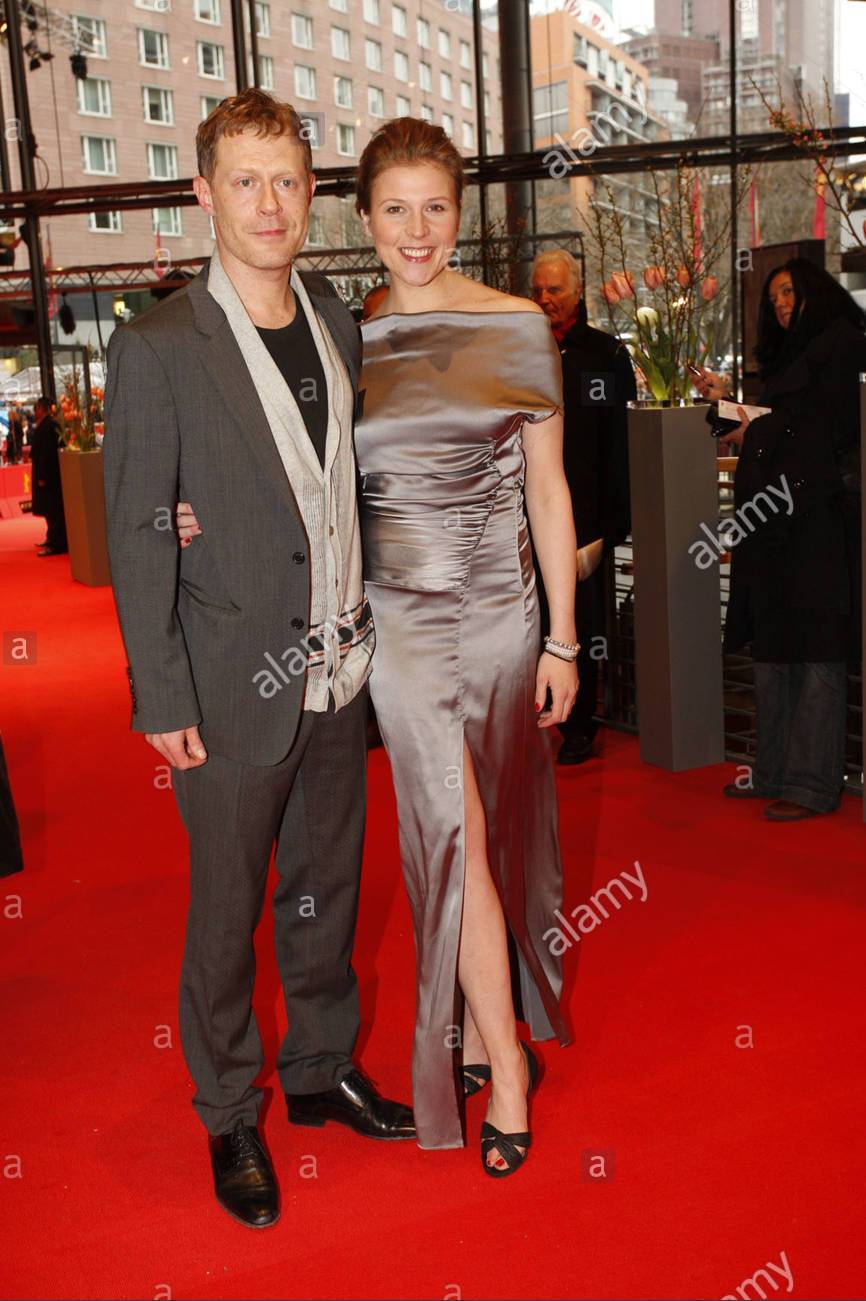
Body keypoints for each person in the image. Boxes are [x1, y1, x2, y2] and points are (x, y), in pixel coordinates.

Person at [178, 118, 579, 1176]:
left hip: (501, 618)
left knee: (493, 832)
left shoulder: (516, 326)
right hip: (394, 633)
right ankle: (507, 1067)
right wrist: (189, 510)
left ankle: (487, 1033)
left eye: (435, 207)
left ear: (460, 213)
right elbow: (293, 473)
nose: (416, 229)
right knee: (453, 836)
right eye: (394, 208)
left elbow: (548, 490)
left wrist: (564, 640)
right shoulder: (345, 335)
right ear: (361, 216)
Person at [103, 89, 414, 1232]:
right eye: (244, 181)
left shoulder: (334, 317)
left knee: (326, 890)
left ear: (310, 190)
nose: (268, 203)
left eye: (285, 179)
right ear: (204, 193)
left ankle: (321, 1066)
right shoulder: (157, 345)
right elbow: (139, 523)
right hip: (230, 677)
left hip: (339, 668)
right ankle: (230, 1108)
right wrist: (159, 691)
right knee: (226, 911)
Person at [694, 258, 866, 820]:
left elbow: (825, 433)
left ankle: (811, 785)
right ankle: (771, 771)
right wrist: (726, 407)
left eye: (789, 292)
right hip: (775, 527)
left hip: (819, 528)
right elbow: (775, 428)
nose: (782, 305)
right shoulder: (797, 355)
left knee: (815, 653)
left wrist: (755, 426)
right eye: (773, 299)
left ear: (815, 289)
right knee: (774, 647)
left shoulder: (844, 344)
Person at [532, 249, 636, 764]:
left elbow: (621, 441)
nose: (545, 298)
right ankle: (534, 713)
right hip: (525, 514)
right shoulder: (521, 350)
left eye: (554, 289)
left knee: (583, 622)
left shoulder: (605, 354)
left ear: (577, 291)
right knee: (531, 620)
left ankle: (579, 725)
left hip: (587, 518)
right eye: (538, 290)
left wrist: (616, 521)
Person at [30, 397, 67, 557]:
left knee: (53, 509)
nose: (35, 411)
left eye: (37, 408)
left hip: (49, 476)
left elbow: (47, 453)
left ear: (42, 409)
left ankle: (57, 543)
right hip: (47, 473)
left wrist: (42, 475)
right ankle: (51, 537)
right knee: (48, 509)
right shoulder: (46, 424)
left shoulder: (48, 426)